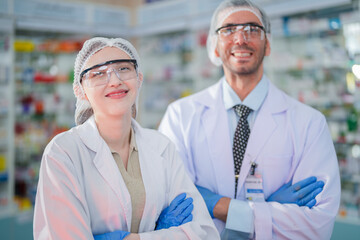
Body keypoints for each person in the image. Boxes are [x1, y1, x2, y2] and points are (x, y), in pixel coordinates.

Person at [158, 0, 341, 239]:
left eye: (253, 29)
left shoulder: (309, 123)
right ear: (214, 46)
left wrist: (215, 205)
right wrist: (265, 210)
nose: (241, 39)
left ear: (268, 44)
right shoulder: (180, 116)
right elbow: (168, 201)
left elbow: (317, 224)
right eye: (228, 30)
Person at [33, 37, 220, 240]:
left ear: (138, 78)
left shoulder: (161, 146)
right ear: (81, 90)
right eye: (98, 73)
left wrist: (132, 239)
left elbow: (205, 232)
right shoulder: (63, 153)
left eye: (123, 69)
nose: (115, 80)